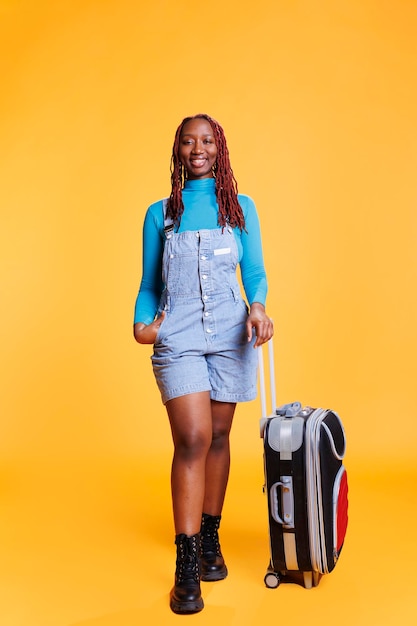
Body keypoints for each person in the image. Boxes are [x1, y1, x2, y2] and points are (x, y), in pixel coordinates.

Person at [133, 114, 273, 614]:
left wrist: (257, 308)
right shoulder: (161, 214)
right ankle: (187, 564)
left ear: (220, 148)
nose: (199, 149)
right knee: (191, 437)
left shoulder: (240, 207)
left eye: (207, 141)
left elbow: (253, 271)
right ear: (178, 150)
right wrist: (142, 323)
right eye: (189, 142)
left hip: (232, 332)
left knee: (217, 435)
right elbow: (150, 284)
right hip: (181, 334)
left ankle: (211, 538)